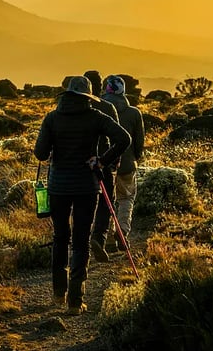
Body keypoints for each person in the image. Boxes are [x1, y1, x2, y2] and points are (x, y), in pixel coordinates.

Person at [34, 76, 131, 315]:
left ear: (66, 95)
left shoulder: (52, 118)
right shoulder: (96, 117)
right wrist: (102, 160)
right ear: (88, 97)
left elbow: (41, 154)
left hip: (58, 187)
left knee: (60, 238)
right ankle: (76, 302)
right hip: (87, 187)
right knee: (81, 241)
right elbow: (124, 139)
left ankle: (59, 293)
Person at [97, 75, 145, 252]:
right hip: (127, 164)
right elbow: (139, 140)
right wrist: (135, 156)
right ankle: (122, 231)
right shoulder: (134, 113)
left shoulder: (97, 110)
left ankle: (108, 238)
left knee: (106, 200)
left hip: (103, 164)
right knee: (126, 198)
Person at [84, 70, 121, 263]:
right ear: (100, 86)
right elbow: (120, 137)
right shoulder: (107, 107)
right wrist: (113, 159)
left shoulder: (74, 108)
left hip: (79, 164)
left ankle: (80, 242)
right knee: (107, 203)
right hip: (103, 162)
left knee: (81, 202)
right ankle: (98, 237)